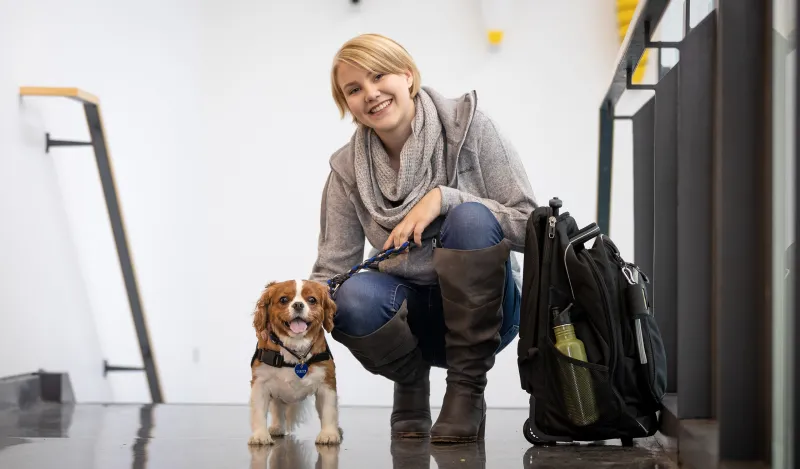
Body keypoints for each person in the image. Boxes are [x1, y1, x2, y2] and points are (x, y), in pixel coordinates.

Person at [308, 33, 537, 444]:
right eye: (354, 89)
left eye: (380, 76)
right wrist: (295, 316)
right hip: (407, 319)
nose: (371, 94)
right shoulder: (346, 171)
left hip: (487, 313)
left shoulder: (471, 128)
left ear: (408, 76)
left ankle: (467, 392)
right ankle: (410, 384)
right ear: (347, 105)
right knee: (349, 298)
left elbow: (529, 225)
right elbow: (332, 272)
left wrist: (443, 199)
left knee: (469, 218)